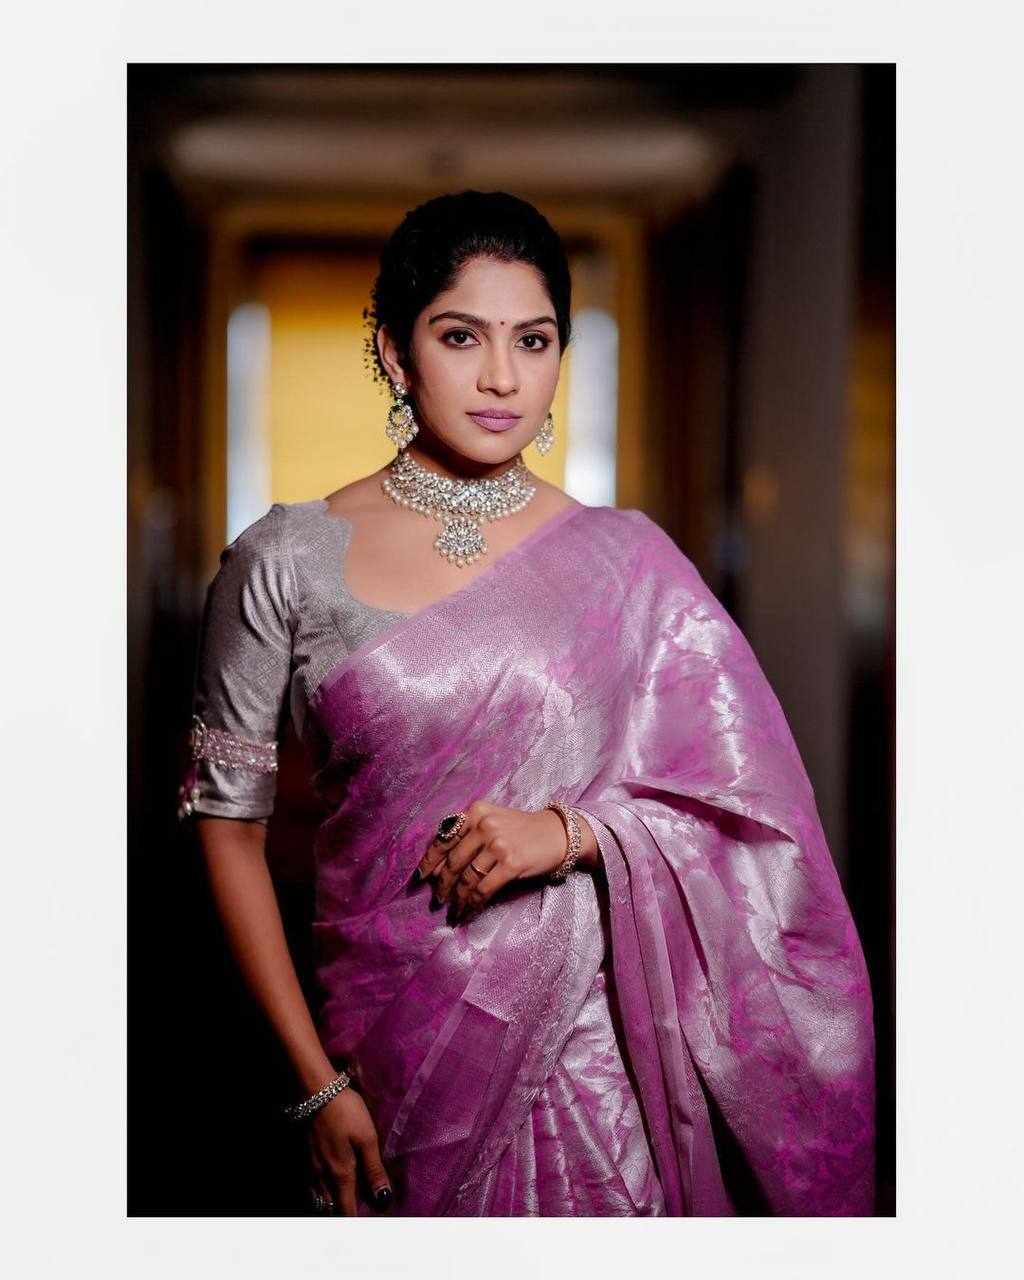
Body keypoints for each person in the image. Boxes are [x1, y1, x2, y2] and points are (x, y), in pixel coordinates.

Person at [178, 190, 876, 1217]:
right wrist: (314, 1083)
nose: (503, 377)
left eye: (534, 340)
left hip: (597, 1054)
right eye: (461, 336)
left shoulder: (630, 562)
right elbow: (228, 827)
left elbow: (753, 814)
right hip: (384, 1051)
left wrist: (576, 834)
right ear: (395, 350)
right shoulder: (283, 560)